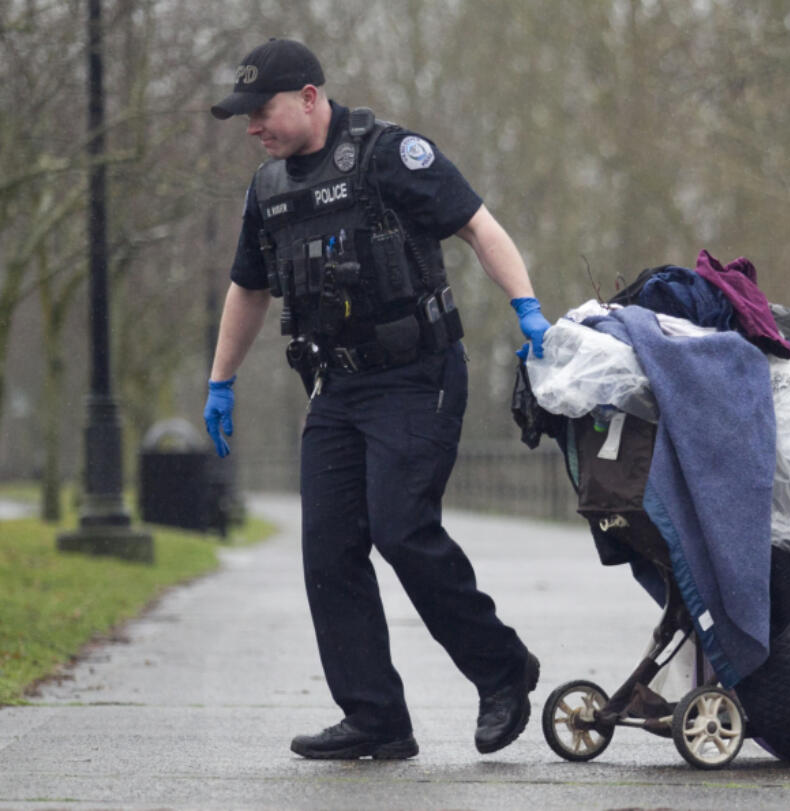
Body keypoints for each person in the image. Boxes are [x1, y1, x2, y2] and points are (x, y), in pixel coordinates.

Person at [202, 38, 550, 760]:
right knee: (327, 549)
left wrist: (527, 309)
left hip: (418, 372)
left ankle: (503, 670)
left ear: (307, 97)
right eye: (244, 117)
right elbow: (248, 287)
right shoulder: (267, 191)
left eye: (260, 111)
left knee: (401, 528)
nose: (251, 128)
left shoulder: (389, 155)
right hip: (337, 386)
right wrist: (220, 380)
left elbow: (477, 225)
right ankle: (375, 717)